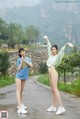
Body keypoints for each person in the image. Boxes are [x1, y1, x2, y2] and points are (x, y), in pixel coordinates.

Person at [43, 35, 73, 115]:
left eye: (54, 49)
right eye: (52, 49)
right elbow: (48, 45)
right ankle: (53, 106)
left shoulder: (57, 56)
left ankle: (61, 107)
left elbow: (61, 52)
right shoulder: (50, 56)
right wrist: (47, 39)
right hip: (49, 73)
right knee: (52, 90)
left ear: (56, 50)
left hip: (53, 72)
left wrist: (66, 44)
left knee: (55, 89)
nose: (53, 50)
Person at [15, 48, 33, 114]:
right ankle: (20, 108)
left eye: (23, 51)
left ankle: (21, 104)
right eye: (21, 52)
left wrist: (25, 61)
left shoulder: (28, 59)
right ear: (19, 53)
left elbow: (31, 66)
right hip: (18, 76)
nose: (22, 53)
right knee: (18, 91)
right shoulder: (19, 59)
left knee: (21, 91)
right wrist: (22, 61)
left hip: (24, 77)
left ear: (25, 52)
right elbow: (18, 69)